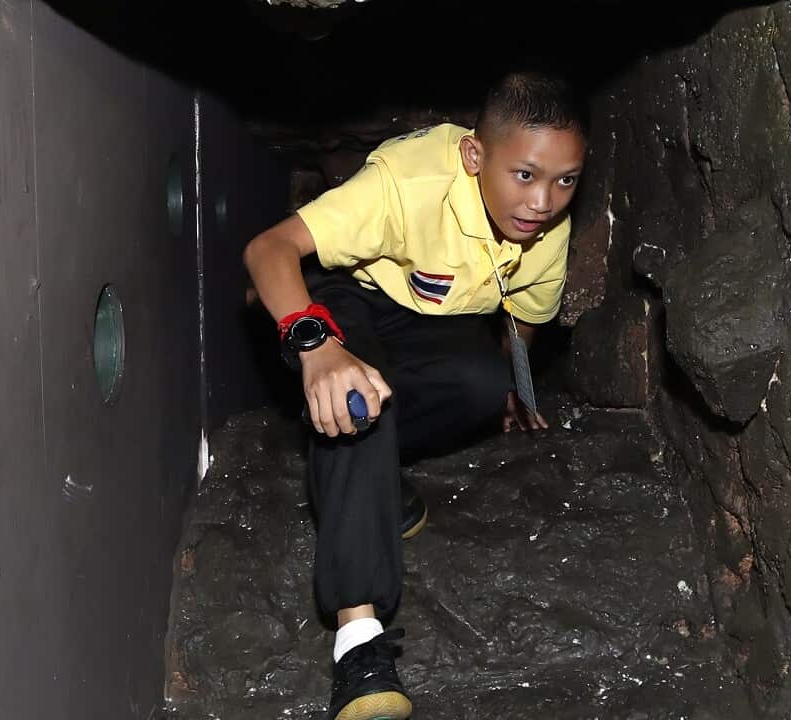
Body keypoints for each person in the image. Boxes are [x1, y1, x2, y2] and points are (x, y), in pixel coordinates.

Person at [243, 71, 588, 720]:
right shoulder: (409, 182)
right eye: (526, 175)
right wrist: (316, 345)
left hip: (423, 321)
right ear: (475, 156)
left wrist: (517, 389)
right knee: (354, 401)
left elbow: (524, 316)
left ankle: (378, 487)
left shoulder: (543, 229)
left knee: (482, 385)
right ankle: (359, 641)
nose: (544, 200)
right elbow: (269, 249)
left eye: (566, 180)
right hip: (341, 294)